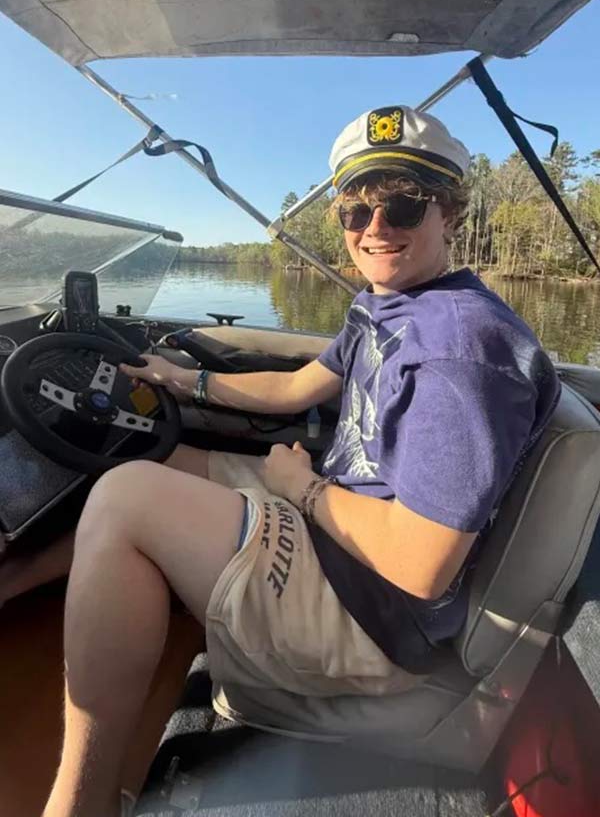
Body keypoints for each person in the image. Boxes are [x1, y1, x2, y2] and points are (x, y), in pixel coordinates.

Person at [35, 105, 559, 817]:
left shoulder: (461, 350)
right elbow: (294, 388)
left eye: (403, 204)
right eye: (356, 210)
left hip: (374, 616)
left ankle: (81, 801)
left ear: (450, 212)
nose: (375, 229)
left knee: (128, 496)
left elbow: (420, 564)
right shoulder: (388, 307)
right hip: (344, 536)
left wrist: (304, 489)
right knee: (159, 457)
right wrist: (182, 380)